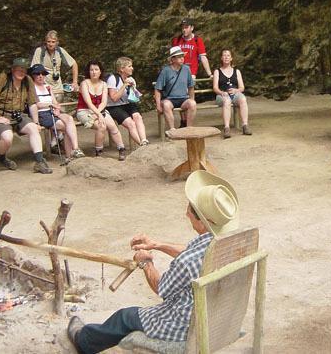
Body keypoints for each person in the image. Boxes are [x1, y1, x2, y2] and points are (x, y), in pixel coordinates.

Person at [66, 170, 240, 354]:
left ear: (203, 223)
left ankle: (83, 341)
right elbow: (191, 252)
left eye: (189, 209)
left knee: (124, 317)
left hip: (185, 326)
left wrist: (146, 262)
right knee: (128, 316)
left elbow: (161, 287)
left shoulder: (187, 262)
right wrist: (157, 245)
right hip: (218, 315)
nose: (186, 213)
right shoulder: (228, 242)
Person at [0, 58, 52, 174]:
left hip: (19, 115)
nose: (21, 72)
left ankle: (39, 162)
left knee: (33, 129)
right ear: (12, 70)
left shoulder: (27, 81)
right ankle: (1, 157)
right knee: (7, 137)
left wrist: (36, 122)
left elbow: (32, 103)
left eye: (24, 70)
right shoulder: (3, 78)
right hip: (3, 114)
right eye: (18, 70)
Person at [30, 64, 85, 163]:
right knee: (65, 126)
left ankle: (75, 149)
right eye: (37, 74)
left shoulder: (48, 87)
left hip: (53, 111)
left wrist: (57, 108)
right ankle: (69, 155)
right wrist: (51, 105)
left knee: (69, 119)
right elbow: (36, 104)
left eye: (43, 73)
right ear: (33, 75)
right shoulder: (32, 88)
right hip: (42, 114)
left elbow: (55, 102)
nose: (40, 76)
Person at [77, 60, 126, 158]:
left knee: (112, 126)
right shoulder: (84, 83)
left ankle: (121, 148)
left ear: (100, 71)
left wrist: (99, 113)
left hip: (99, 109)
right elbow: (89, 103)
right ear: (88, 72)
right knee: (101, 126)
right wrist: (99, 115)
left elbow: (104, 102)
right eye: (91, 70)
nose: (94, 72)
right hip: (84, 110)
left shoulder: (104, 84)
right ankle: (99, 151)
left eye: (96, 69)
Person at [172, 18, 212, 128]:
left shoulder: (197, 40)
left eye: (186, 27)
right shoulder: (177, 40)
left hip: (191, 72)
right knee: (179, 95)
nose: (184, 30)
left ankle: (188, 121)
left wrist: (209, 74)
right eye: (182, 27)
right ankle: (183, 120)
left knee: (188, 95)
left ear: (192, 28)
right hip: (177, 72)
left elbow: (203, 57)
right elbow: (172, 58)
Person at [106, 56, 149, 155]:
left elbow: (135, 97)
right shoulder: (113, 79)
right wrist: (124, 85)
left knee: (137, 117)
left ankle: (144, 140)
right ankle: (142, 146)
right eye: (129, 66)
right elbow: (114, 98)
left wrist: (133, 89)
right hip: (114, 106)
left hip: (128, 103)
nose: (132, 68)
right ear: (122, 69)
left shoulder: (131, 79)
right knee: (131, 123)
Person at [155, 46, 197, 135]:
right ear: (173, 59)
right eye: (179, 56)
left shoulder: (186, 69)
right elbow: (157, 89)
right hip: (169, 99)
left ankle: (188, 128)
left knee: (192, 103)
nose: (182, 58)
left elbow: (191, 86)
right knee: (166, 105)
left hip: (183, 99)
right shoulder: (165, 70)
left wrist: (192, 98)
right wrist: (158, 105)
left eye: (182, 56)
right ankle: (172, 130)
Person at [212, 49, 252, 138]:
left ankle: (245, 125)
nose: (226, 57)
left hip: (235, 93)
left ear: (231, 58)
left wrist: (236, 90)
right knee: (227, 101)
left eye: (228, 55)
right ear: (221, 58)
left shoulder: (236, 71)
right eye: (224, 55)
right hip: (222, 95)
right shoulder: (217, 71)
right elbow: (215, 87)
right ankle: (227, 128)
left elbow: (242, 87)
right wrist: (222, 92)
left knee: (243, 99)